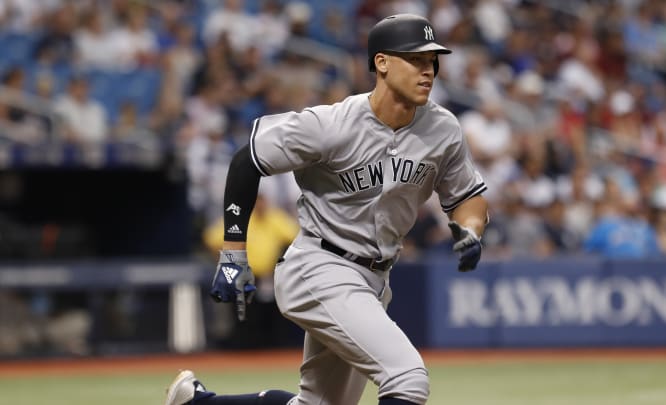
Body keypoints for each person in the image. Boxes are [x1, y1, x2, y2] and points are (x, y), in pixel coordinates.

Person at [164, 14, 489, 405]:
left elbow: (466, 195)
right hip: (320, 266)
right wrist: (233, 254)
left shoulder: (443, 128)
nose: (428, 70)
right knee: (407, 378)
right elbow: (247, 160)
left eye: (432, 60)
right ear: (382, 62)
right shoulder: (332, 124)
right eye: (415, 59)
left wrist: (471, 228)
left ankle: (196, 402)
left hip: (375, 278)